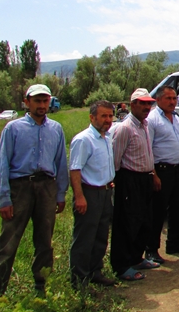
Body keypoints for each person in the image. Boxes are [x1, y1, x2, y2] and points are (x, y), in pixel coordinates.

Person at [0, 84, 68, 296]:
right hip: (20, 187)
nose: (42, 105)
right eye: (37, 101)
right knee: (7, 242)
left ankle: (41, 287)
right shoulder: (13, 129)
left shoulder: (56, 129)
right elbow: (2, 164)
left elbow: (60, 163)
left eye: (45, 101)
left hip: (47, 187)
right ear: (27, 102)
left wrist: (60, 194)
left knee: (44, 241)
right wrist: (3, 198)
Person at [146, 86, 179, 265]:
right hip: (161, 170)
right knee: (158, 212)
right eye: (168, 98)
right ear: (158, 100)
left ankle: (174, 244)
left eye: (174, 98)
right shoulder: (152, 120)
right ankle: (151, 250)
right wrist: (153, 174)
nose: (172, 101)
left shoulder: (176, 119)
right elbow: (148, 148)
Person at [69, 100, 117, 287]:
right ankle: (79, 280)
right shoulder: (83, 139)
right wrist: (79, 197)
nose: (107, 120)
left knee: (100, 236)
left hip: (105, 192)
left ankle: (95, 271)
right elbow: (75, 170)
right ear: (92, 117)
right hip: (89, 194)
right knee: (84, 238)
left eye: (110, 116)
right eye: (103, 116)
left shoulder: (106, 138)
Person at [110, 88, 157, 281]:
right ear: (133, 105)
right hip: (129, 179)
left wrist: (153, 174)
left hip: (145, 178)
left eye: (149, 103)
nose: (147, 107)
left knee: (144, 221)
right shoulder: (125, 128)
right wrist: (115, 182)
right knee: (127, 223)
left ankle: (137, 258)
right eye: (143, 103)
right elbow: (115, 158)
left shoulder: (144, 125)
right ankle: (122, 265)